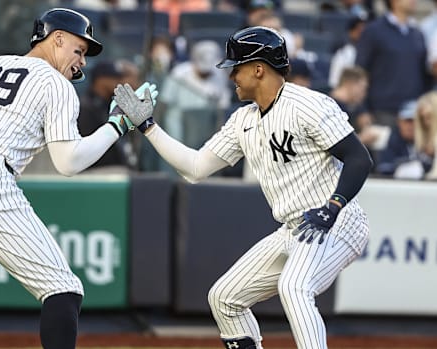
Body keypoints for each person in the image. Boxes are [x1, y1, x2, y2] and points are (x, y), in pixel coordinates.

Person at [0, 8, 156, 349]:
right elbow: (69, 162)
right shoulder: (56, 84)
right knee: (63, 289)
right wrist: (118, 125)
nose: (82, 62)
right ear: (58, 38)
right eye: (79, 50)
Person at [114, 26, 372, 349]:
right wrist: (148, 127)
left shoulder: (308, 105)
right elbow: (195, 168)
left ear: (259, 69)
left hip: (337, 221)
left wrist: (333, 206)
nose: (231, 75)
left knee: (294, 287)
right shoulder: (242, 121)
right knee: (224, 298)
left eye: (236, 68)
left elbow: (359, 158)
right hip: (294, 228)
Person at [355, 0, 431, 128]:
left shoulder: (418, 34)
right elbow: (359, 71)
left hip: (413, 115)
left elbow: (424, 75)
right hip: (382, 113)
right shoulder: (373, 31)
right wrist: (362, 109)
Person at [79, 60, 140, 169]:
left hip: (120, 171)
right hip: (98, 173)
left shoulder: (112, 105)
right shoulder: (86, 108)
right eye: (114, 78)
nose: (118, 82)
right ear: (101, 80)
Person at [375, 100, 431, 179]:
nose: (411, 126)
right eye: (407, 121)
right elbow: (384, 169)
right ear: (399, 122)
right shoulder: (391, 139)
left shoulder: (430, 142)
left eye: (416, 121)